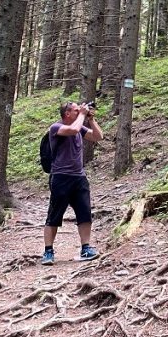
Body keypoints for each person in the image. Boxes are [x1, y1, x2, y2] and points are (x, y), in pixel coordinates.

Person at [42, 102, 104, 265]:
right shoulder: (56, 127)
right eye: (76, 110)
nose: (79, 112)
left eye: (80, 110)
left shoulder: (80, 127)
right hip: (60, 177)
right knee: (54, 215)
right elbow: (73, 130)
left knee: (84, 213)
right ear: (67, 113)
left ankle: (86, 248)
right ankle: (48, 251)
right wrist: (83, 115)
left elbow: (98, 136)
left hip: (79, 177)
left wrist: (91, 120)